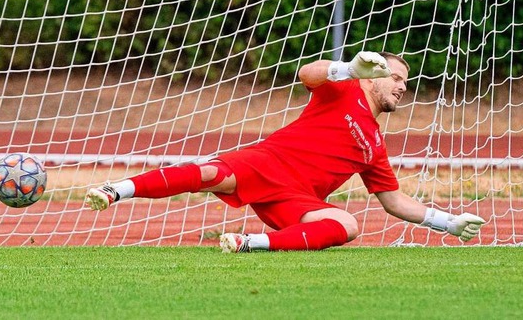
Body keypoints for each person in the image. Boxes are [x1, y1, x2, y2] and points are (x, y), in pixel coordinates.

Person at [85, 51, 486, 252]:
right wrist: (349, 68)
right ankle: (117, 189)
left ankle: (252, 244)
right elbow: (307, 74)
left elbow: (393, 201)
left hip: (297, 200)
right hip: (268, 162)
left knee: (347, 225)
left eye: (405, 82)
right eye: (395, 77)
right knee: (209, 175)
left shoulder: (375, 143)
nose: (400, 86)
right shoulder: (345, 87)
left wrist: (446, 222)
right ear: (374, 76)